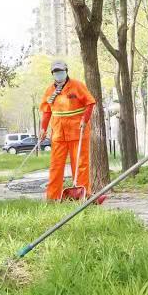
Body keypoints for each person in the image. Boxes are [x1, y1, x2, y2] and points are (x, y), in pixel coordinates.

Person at [39, 61, 96, 201]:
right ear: (52, 74)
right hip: (59, 134)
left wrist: (85, 120)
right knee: (56, 166)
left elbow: (90, 103)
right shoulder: (49, 91)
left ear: (66, 71)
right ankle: (52, 198)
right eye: (55, 72)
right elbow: (46, 112)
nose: (58, 74)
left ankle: (83, 195)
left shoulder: (77, 86)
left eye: (60, 71)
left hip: (78, 131)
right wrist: (43, 129)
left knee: (81, 165)